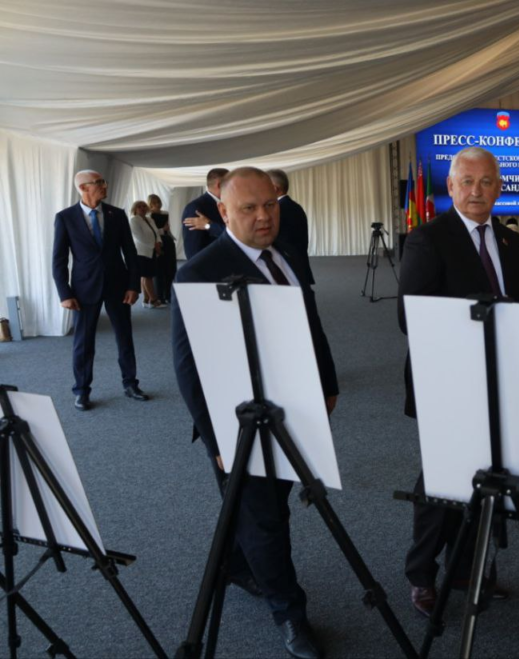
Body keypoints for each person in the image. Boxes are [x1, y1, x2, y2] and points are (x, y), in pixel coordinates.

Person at [171, 167, 336, 659]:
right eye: (249, 208)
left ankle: (237, 566)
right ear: (223, 212)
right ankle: (290, 615)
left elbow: (310, 322)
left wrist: (327, 384)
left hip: (293, 410)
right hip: (238, 425)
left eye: (270, 205)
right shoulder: (198, 272)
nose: (264, 216)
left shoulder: (285, 254)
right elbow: (187, 367)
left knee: (265, 506)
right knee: (265, 519)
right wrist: (219, 441)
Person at [397, 146, 519, 618]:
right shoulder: (427, 239)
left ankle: (463, 570)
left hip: (501, 383)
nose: (477, 191)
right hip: (448, 384)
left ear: (499, 187)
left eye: (486, 181)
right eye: (467, 182)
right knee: (441, 483)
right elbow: (410, 318)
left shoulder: (511, 242)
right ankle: (421, 574)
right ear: (451, 187)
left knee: (487, 478)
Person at [51, 170, 148, 411]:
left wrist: (133, 285)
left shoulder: (117, 214)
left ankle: (131, 384)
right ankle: (82, 391)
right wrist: (65, 293)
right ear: (84, 188)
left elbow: (130, 252)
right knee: (83, 343)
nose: (105, 185)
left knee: (124, 337)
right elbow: (59, 260)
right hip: (84, 288)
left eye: (104, 181)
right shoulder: (65, 218)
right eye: (99, 182)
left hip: (118, 286)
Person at [267, 168, 314, 284]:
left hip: (288, 268)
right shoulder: (293, 206)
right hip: (297, 265)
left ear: (274, 188)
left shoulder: (279, 209)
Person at [182, 168, 228, 259]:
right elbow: (193, 251)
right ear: (219, 185)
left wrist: (208, 226)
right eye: (230, 184)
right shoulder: (196, 208)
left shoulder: (226, 204)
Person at [128, 201, 163, 308]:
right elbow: (139, 237)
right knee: (147, 276)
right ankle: (153, 300)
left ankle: (146, 300)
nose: (142, 208)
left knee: (146, 276)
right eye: (139, 207)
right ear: (135, 209)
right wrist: (154, 246)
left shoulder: (150, 219)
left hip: (152, 250)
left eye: (144, 206)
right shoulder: (134, 220)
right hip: (142, 252)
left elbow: (156, 233)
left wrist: (158, 242)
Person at [148, 194, 176, 304]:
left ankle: (168, 295)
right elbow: (152, 232)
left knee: (170, 269)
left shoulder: (165, 213)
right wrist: (162, 230)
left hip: (168, 242)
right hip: (158, 243)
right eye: (154, 202)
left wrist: (171, 236)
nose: (157, 204)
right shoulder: (149, 216)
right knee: (160, 270)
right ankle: (160, 296)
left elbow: (167, 229)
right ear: (150, 204)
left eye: (158, 202)